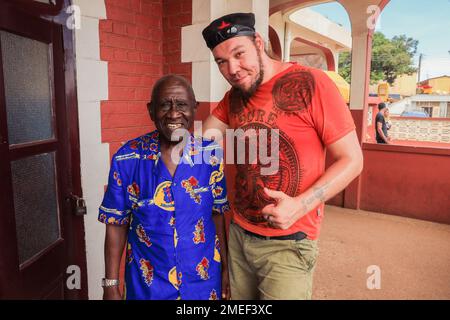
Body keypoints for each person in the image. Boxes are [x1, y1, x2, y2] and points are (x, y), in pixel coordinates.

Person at [201, 13, 363, 299]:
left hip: (289, 242)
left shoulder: (312, 83)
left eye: (239, 54)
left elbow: (352, 160)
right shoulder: (235, 95)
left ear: (259, 42)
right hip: (239, 234)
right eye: (221, 62)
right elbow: (205, 138)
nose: (233, 69)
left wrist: (300, 206)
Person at [98, 75, 230, 300]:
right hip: (148, 287)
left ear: (194, 109)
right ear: (151, 110)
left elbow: (217, 215)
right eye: (164, 105)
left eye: (181, 105)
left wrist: (226, 268)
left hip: (203, 283)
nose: (173, 113)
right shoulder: (127, 158)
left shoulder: (211, 156)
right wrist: (110, 285)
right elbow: (116, 224)